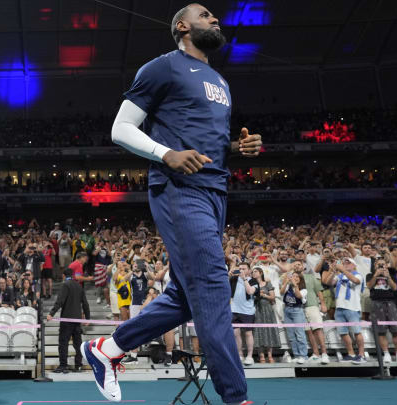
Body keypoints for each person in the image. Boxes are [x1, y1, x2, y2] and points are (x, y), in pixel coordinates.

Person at [80, 4, 264, 404]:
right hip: (180, 189)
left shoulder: (220, 81)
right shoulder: (162, 67)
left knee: (186, 295)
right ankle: (236, 398)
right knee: (213, 286)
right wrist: (166, 153)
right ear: (183, 26)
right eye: (205, 14)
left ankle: (107, 350)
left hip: (216, 193)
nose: (215, 18)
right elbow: (120, 128)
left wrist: (238, 148)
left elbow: (208, 146)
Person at [47, 266, 91, 373]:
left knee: (63, 343)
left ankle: (63, 366)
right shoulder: (79, 286)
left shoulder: (65, 285)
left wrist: (51, 313)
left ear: (63, 276)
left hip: (67, 319)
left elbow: (60, 301)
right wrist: (87, 318)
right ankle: (78, 365)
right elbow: (85, 303)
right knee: (77, 343)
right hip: (77, 320)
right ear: (73, 275)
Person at [323, 258, 366, 364]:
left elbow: (355, 281)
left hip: (352, 307)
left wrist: (342, 270)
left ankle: (361, 355)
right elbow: (328, 282)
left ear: (354, 265)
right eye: (344, 262)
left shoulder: (358, 275)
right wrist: (333, 271)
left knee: (356, 331)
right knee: (343, 332)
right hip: (339, 307)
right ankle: (351, 354)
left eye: (348, 262)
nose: (345, 264)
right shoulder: (340, 276)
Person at [367, 258, 397, 364]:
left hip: (390, 303)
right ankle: (386, 354)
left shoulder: (391, 274)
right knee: (381, 331)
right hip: (376, 303)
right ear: (375, 265)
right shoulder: (370, 275)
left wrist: (388, 276)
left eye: (383, 264)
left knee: (395, 330)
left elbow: (395, 288)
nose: (381, 266)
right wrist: (376, 275)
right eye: (379, 264)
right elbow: (369, 286)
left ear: (386, 265)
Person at [229, 262, 259, 366]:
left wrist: (244, 279)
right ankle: (240, 354)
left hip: (247, 311)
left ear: (249, 270)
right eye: (240, 268)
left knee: (248, 333)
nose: (241, 270)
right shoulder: (233, 279)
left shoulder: (253, 280)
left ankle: (250, 356)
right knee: (235, 334)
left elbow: (250, 291)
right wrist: (229, 274)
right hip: (234, 310)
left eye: (244, 268)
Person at [251, 266, 279, 363]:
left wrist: (264, 295)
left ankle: (270, 355)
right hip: (256, 309)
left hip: (267, 310)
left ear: (261, 273)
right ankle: (261, 356)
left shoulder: (267, 283)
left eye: (256, 271)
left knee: (268, 331)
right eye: (253, 272)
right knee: (258, 332)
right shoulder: (251, 284)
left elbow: (273, 297)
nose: (254, 273)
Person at [280, 272, 308, 364]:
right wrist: (286, 282)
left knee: (300, 334)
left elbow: (298, 296)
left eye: (297, 277)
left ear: (300, 279)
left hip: (297, 311)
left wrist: (295, 285)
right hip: (287, 310)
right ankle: (296, 355)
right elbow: (281, 292)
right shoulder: (288, 286)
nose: (294, 278)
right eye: (293, 276)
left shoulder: (304, 289)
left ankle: (303, 356)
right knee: (291, 335)